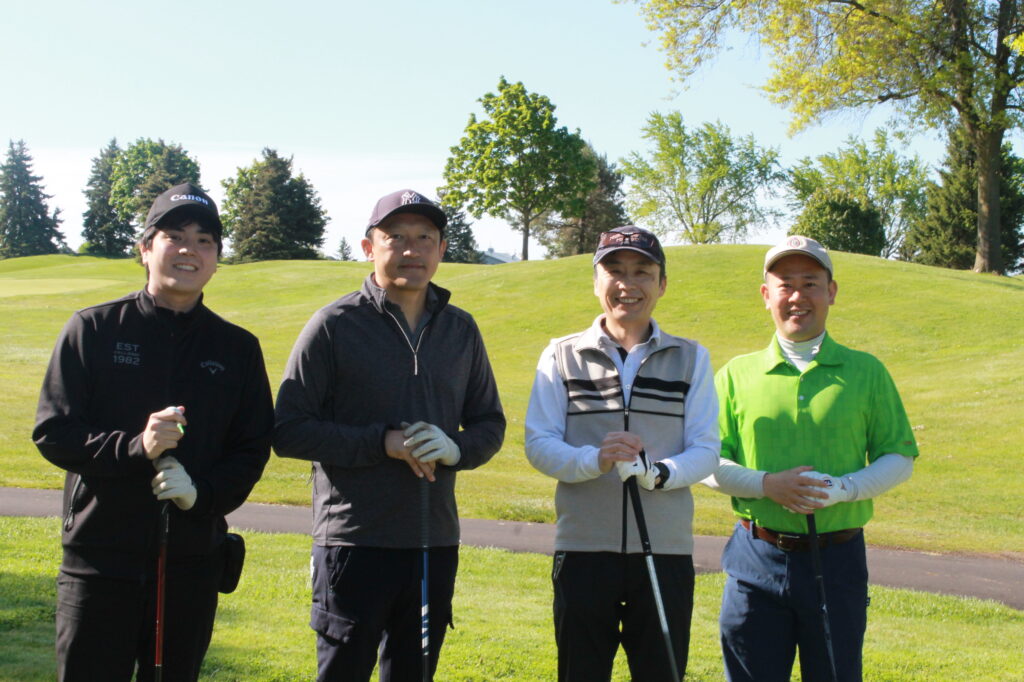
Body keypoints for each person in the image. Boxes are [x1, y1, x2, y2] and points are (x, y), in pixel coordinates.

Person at [33, 183, 274, 681]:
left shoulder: (237, 348)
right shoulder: (94, 329)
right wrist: (134, 448)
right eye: (174, 236)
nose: (189, 250)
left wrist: (201, 495)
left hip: (193, 563)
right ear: (145, 249)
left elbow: (251, 449)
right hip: (100, 559)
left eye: (204, 241)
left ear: (216, 259)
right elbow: (54, 431)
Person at [273, 189, 505, 681]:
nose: (411, 250)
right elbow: (289, 429)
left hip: (433, 544)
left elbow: (490, 424)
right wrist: (383, 442)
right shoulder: (334, 325)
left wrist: (455, 447)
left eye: (425, 238)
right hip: (352, 544)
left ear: (442, 250)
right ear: (368, 247)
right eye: (395, 237)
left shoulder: (461, 330)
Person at [706, 235, 919, 682]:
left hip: (838, 558)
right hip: (756, 557)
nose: (797, 296)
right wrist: (767, 485)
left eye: (810, 283)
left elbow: (898, 455)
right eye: (785, 284)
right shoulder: (736, 374)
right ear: (766, 295)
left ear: (831, 292)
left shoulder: (866, 371)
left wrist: (846, 489)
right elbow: (708, 462)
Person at [524, 225, 720, 681]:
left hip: (665, 552)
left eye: (642, 272)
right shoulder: (561, 355)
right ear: (596, 282)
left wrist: (658, 473)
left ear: (662, 284)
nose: (627, 284)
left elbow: (706, 449)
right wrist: (595, 460)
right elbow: (540, 444)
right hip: (583, 551)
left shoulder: (691, 358)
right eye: (614, 271)